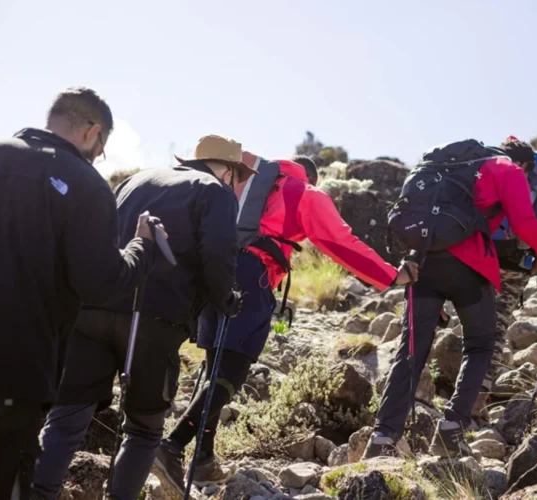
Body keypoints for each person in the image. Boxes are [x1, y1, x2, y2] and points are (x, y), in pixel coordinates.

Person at [152, 152, 418, 495]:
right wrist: (391, 276)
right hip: (251, 277)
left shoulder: (244, 179)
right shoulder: (304, 192)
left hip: (210, 272)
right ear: (310, 176)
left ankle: (202, 457)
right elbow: (338, 241)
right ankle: (173, 445)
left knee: (213, 366)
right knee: (230, 374)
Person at [0, 87, 162, 499]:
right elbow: (101, 283)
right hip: (13, 377)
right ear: (92, 132)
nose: (100, 156)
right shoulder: (85, 184)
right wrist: (143, 247)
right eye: (103, 146)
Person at [31, 135, 253, 500]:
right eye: (238, 176)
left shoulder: (136, 179)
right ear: (228, 170)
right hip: (157, 320)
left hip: (92, 311)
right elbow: (217, 253)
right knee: (144, 430)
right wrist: (225, 299)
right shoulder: (214, 191)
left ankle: (36, 494)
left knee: (67, 418)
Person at [364, 140, 537, 459]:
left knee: (411, 349)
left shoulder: (451, 167)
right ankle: (450, 430)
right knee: (481, 344)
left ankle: (383, 437)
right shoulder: (508, 170)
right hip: (469, 267)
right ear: (524, 166)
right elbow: (527, 226)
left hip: (422, 263)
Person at [486, 137, 537, 395]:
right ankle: (479, 398)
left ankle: (461, 389)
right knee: (496, 331)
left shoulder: (494, 187)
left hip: (485, 262)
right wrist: (528, 271)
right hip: (517, 269)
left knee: (475, 326)